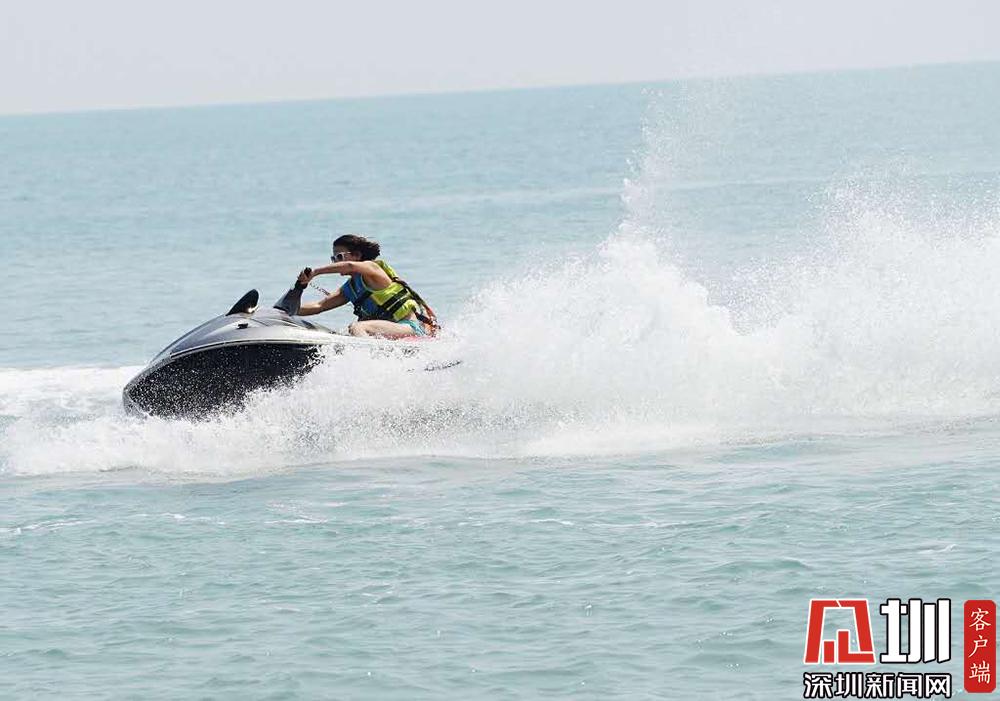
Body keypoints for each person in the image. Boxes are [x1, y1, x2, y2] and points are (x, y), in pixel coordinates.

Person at [295, 234, 438, 338]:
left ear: (357, 255)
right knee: (349, 330)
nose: (335, 262)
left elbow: (350, 265)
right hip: (388, 331)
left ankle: (368, 360)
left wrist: (316, 272)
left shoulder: (373, 269)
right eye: (333, 258)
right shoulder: (350, 289)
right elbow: (319, 306)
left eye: (339, 257)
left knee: (357, 327)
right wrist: (287, 310)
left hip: (409, 327)